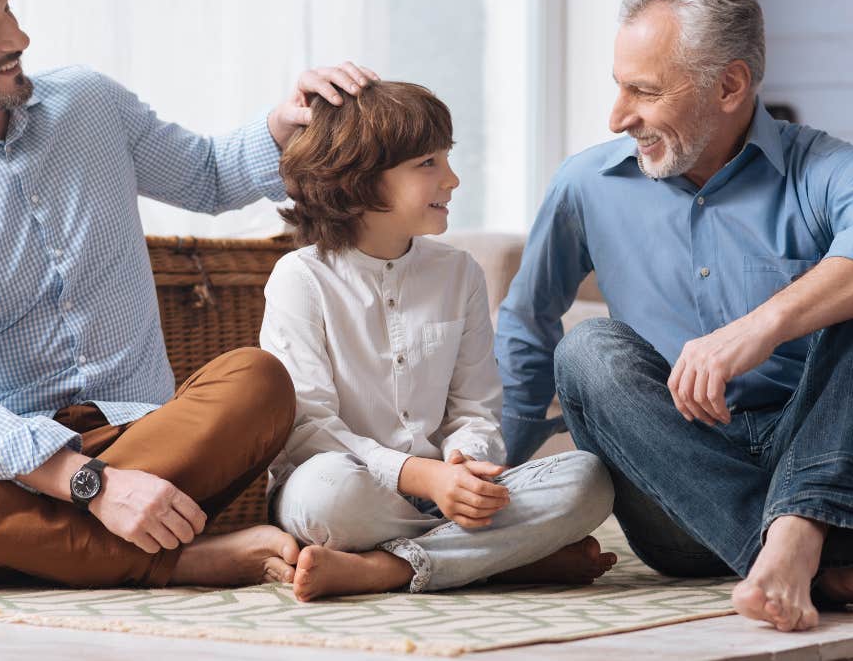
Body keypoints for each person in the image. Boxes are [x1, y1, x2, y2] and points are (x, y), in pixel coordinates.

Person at [0, 0, 377, 589]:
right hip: (12, 460)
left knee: (258, 381)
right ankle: (177, 560)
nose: (18, 37)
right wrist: (88, 484)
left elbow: (207, 174)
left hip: (149, 436)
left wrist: (283, 124)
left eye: (8, 6)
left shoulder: (87, 102)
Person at [495, 0, 853, 632]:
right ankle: (827, 570)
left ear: (729, 85)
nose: (617, 115)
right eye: (618, 86)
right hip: (677, 500)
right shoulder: (586, 185)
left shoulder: (818, 167)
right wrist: (489, 486)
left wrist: (765, 325)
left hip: (816, 471)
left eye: (644, 90)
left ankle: (798, 546)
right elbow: (526, 326)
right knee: (585, 346)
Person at [259, 81, 616, 601]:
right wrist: (419, 476)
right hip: (344, 489)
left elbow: (474, 409)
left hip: (439, 498)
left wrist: (464, 462)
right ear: (357, 179)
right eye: (427, 163)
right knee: (329, 496)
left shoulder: (459, 273)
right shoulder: (300, 278)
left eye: (447, 159)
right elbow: (307, 428)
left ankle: (388, 568)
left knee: (589, 480)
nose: (452, 179)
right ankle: (501, 558)